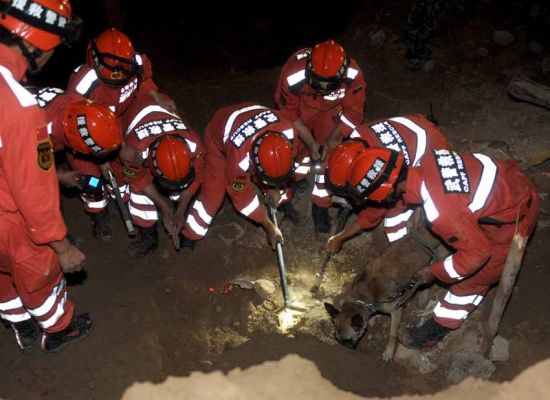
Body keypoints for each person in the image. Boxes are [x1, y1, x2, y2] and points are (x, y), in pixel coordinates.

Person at [331, 147, 538, 348]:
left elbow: (478, 254)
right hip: (509, 181)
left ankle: (438, 329)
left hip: (514, 218)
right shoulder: (428, 160)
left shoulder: (441, 212)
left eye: (380, 199)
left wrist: (434, 271)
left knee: (475, 280)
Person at [0, 0, 93, 353]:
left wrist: (57, 177)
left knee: (3, 277)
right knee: (40, 277)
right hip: (11, 222)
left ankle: (19, 323)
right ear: (40, 44)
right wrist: (62, 247)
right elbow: (32, 197)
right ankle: (60, 329)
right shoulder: (21, 107)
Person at [274, 39, 366, 233]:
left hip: (330, 111)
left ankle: (320, 206)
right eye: (318, 81)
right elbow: (289, 113)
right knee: (288, 150)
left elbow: (353, 114)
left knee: (331, 157)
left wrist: (331, 141)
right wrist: (311, 142)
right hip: (301, 109)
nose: (323, 87)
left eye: (329, 83)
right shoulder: (294, 73)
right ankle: (286, 195)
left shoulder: (353, 76)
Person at [180, 102, 296, 249]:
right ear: (253, 163)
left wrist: (274, 187)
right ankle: (190, 234)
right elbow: (242, 198)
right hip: (219, 136)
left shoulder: (288, 132)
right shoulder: (238, 160)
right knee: (213, 194)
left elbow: (281, 166)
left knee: (282, 182)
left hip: (250, 116)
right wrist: (267, 224)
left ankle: (284, 205)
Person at [325, 114, 448, 252]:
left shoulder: (382, 178)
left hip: (432, 148)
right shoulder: (359, 136)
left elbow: (372, 214)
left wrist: (340, 238)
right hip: (415, 125)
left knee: (394, 217)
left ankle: (400, 250)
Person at [118, 95, 205, 258]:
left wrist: (180, 210)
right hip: (128, 108)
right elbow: (138, 180)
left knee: (183, 188)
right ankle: (148, 237)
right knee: (138, 197)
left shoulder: (193, 144)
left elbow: (199, 177)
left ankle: (177, 214)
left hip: (159, 103)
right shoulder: (133, 152)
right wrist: (163, 206)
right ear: (150, 165)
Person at [33, 87, 124, 241]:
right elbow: (24, 170)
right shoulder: (38, 132)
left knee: (91, 182)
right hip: (17, 152)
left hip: (58, 133)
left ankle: (99, 216)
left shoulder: (83, 109)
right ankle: (55, 239)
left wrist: (102, 161)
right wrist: (60, 176)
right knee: (41, 196)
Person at [67, 27, 175, 116]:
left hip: (127, 110)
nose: (118, 78)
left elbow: (143, 80)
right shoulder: (82, 85)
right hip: (101, 121)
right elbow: (72, 115)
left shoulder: (136, 63)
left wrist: (158, 99)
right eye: (111, 82)